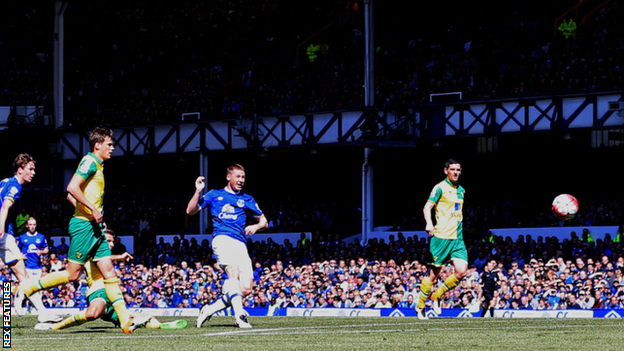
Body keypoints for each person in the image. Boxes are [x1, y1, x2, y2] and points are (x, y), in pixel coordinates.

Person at [20, 126, 135, 333]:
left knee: (108, 271)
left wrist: (96, 217)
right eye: (109, 144)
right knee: (73, 275)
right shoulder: (89, 161)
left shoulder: (98, 165)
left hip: (94, 226)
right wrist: (91, 210)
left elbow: (72, 197)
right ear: (97, 145)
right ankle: (29, 287)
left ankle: (126, 321)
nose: (113, 148)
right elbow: (71, 188)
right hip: (83, 226)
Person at [34, 229, 187, 331]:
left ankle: (162, 326)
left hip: (109, 293)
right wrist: (119, 257)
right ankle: (54, 326)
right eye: (108, 240)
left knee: (130, 320)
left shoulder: (105, 255)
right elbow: (96, 259)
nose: (112, 244)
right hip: (98, 290)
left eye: (113, 241)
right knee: (92, 314)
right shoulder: (93, 251)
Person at [189, 164, 268, 329]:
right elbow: (191, 211)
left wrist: (256, 227)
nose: (241, 180)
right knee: (231, 271)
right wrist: (198, 191)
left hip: (240, 243)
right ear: (228, 177)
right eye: (238, 176)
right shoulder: (214, 194)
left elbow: (264, 221)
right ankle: (239, 317)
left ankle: (209, 310)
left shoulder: (247, 199)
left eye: (243, 177)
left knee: (246, 289)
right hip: (222, 238)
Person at [1, 154, 60, 322]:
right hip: (4, 235)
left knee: (22, 275)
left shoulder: (4, 182)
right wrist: (1, 228)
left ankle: (42, 312)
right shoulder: (15, 186)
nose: (33, 173)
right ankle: (43, 313)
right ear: (20, 170)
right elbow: (5, 206)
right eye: (30, 169)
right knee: (23, 277)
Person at [415, 158, 468, 320]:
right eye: (453, 169)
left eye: (458, 169)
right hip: (441, 237)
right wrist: (429, 223)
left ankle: (436, 296)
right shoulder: (439, 188)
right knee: (433, 274)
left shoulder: (462, 190)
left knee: (461, 271)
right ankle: (420, 306)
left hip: (457, 238)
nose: (456, 172)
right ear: (446, 170)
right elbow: (427, 207)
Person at [16, 216, 49, 314]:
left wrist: (41, 252)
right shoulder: (22, 237)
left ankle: (35, 308)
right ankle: (21, 306)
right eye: (30, 225)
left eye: (34, 224)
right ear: (27, 225)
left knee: (36, 288)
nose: (32, 227)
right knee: (25, 288)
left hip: (37, 267)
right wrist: (21, 256)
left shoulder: (41, 237)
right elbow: (17, 250)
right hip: (26, 267)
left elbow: (46, 250)